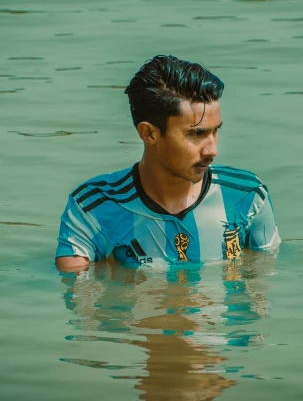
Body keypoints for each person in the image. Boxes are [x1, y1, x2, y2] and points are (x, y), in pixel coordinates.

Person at [55, 55, 280, 271]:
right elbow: (76, 294)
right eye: (196, 134)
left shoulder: (247, 196)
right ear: (149, 133)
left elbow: (264, 281)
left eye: (215, 131)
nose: (212, 150)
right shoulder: (93, 208)